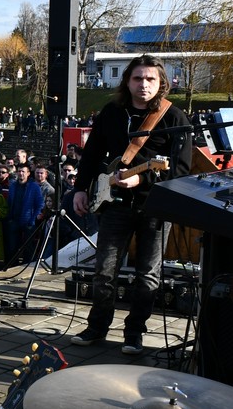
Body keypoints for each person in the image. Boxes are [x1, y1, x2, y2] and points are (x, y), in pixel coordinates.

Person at [70, 54, 192, 355]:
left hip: (155, 208)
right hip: (115, 205)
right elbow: (92, 153)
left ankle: (134, 332)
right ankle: (97, 326)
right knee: (104, 270)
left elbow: (181, 170)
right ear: (127, 81)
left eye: (151, 79)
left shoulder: (174, 118)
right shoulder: (112, 112)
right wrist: (80, 189)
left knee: (147, 274)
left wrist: (144, 181)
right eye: (138, 78)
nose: (144, 84)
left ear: (161, 82)